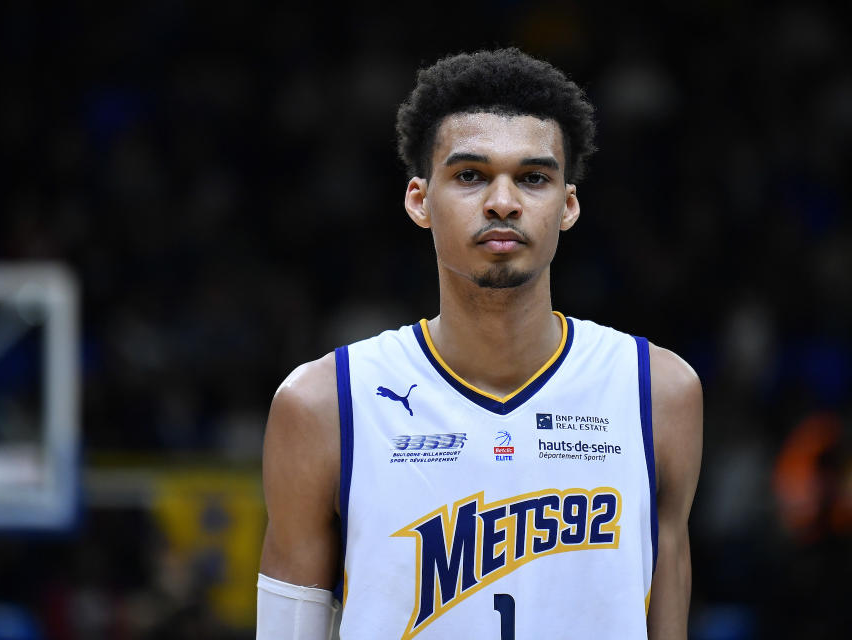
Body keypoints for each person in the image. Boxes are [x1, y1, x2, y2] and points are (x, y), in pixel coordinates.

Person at [257, 48, 702, 639]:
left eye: (533, 178)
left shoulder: (659, 391)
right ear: (420, 199)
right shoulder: (322, 404)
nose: (502, 201)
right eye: (470, 175)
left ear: (567, 205)